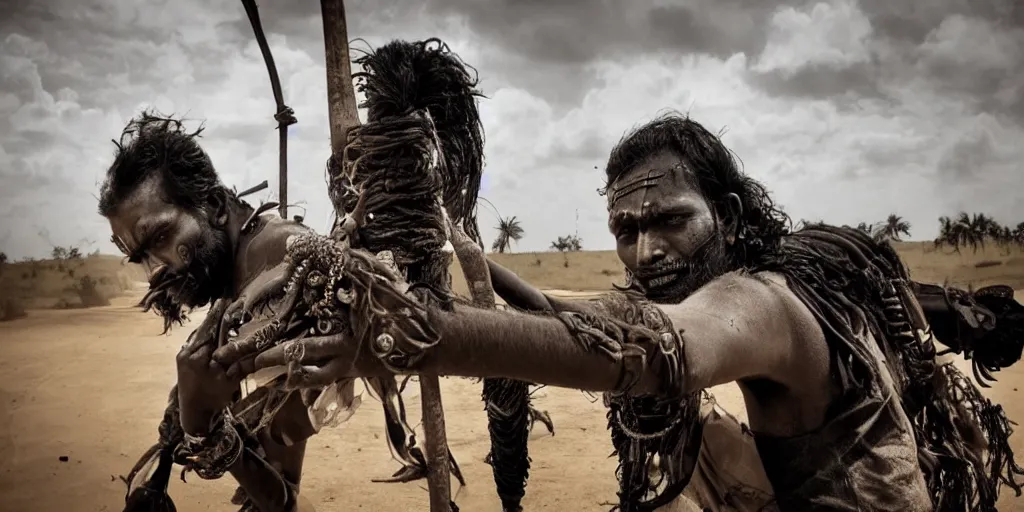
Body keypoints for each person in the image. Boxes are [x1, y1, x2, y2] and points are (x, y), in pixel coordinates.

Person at [209, 113, 1024, 511]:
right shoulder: (791, 269)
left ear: (729, 216)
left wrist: (425, 335)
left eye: (670, 221)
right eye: (625, 231)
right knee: (698, 437)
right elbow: (585, 316)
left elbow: (650, 350)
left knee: (684, 421)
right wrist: (446, 255)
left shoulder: (761, 303)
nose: (645, 252)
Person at [99, 111, 434, 512]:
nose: (159, 270)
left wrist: (209, 431)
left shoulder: (280, 265)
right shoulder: (238, 276)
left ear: (215, 206)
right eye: (143, 256)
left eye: (162, 237)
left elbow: (281, 497)